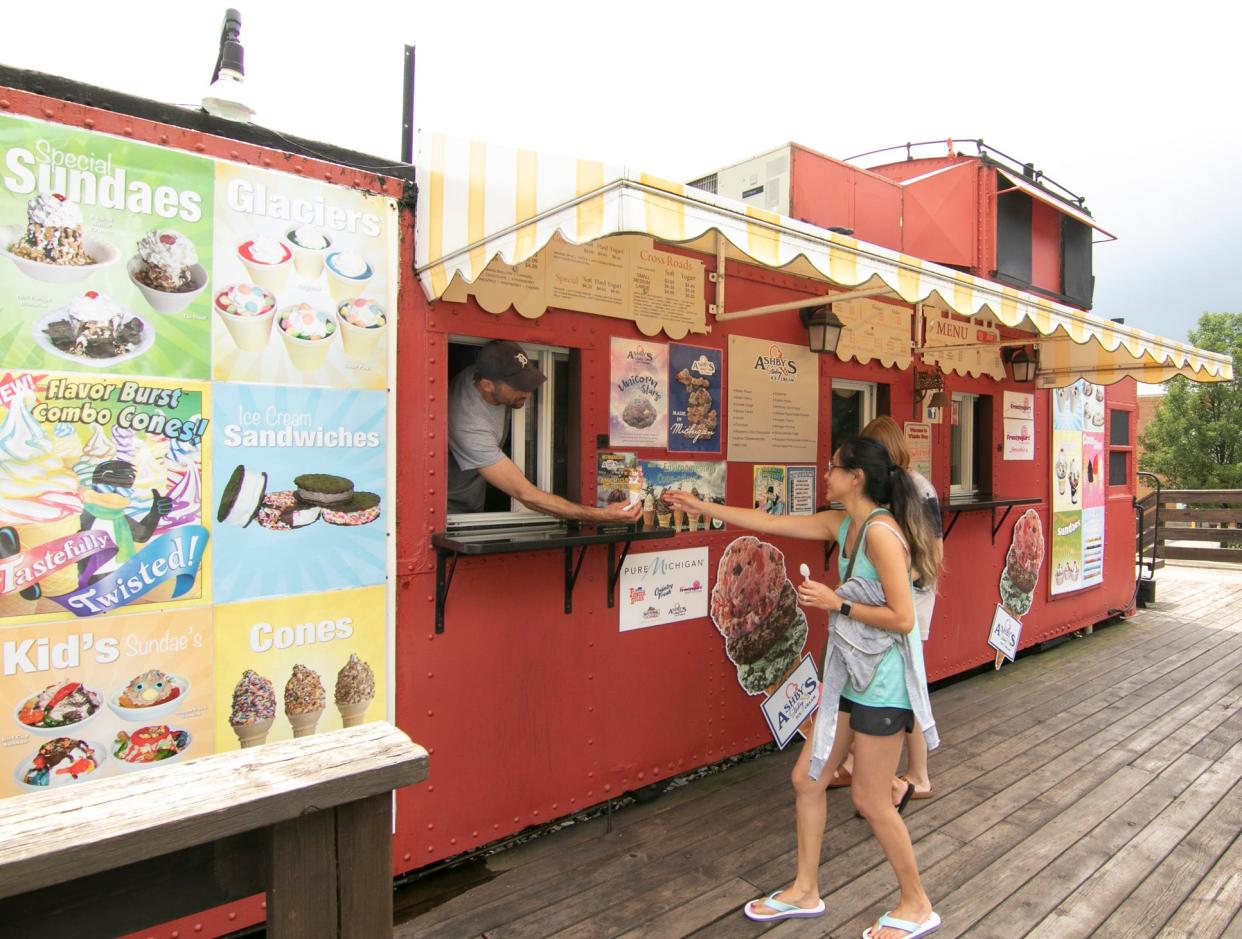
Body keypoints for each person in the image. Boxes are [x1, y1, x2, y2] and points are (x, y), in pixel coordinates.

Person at [665, 437, 942, 937]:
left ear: (856, 477)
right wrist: (697, 504)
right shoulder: (846, 524)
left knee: (873, 801)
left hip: (884, 686)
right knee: (807, 780)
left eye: (833, 468)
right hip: (852, 679)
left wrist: (837, 603)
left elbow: (903, 618)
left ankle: (916, 904)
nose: (825, 474)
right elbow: (768, 522)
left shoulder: (880, 533)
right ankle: (805, 890)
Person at [828, 416, 943, 800]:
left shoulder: (917, 489)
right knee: (873, 676)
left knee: (906, 680)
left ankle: (915, 774)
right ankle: (864, 769)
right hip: (887, 598)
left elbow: (930, 554)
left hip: (909, 598)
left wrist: (887, 581)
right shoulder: (889, 493)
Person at [447, 340, 641, 524]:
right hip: (454, 511)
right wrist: (602, 515)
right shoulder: (468, 425)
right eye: (518, 386)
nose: (528, 393)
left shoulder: (483, 372)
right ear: (487, 385)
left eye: (528, 383)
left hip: (473, 500)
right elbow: (526, 495)